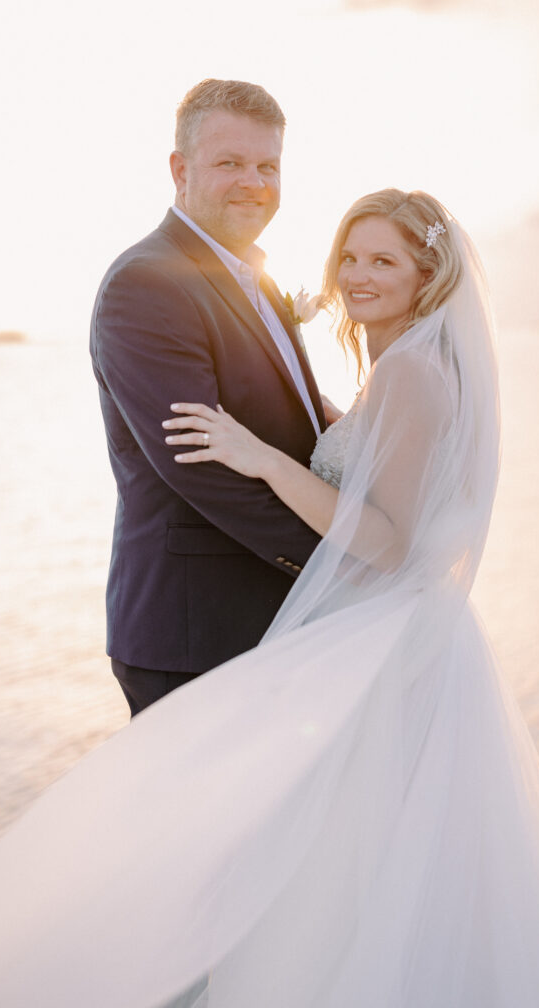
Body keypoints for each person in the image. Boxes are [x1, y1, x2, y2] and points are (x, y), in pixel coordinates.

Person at [0, 191, 539, 1008]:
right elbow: (381, 471)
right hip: (391, 633)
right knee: (359, 866)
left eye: (383, 260)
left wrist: (264, 460)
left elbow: (390, 543)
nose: (356, 275)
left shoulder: (412, 370)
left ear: (428, 273)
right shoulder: (401, 368)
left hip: (383, 637)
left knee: (335, 865)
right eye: (349, 257)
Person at [89, 78, 327, 716]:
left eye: (267, 165)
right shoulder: (148, 283)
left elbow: (288, 425)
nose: (254, 181)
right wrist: (345, 560)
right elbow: (200, 464)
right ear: (180, 169)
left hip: (270, 620)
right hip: (196, 633)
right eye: (230, 163)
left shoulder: (258, 277)